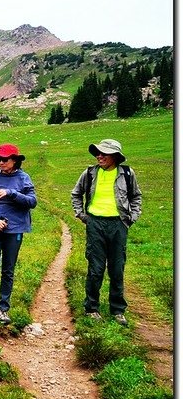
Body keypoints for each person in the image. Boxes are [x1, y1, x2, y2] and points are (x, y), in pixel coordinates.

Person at [71, 139, 142, 326]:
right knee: (96, 268)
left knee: (117, 269)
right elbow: (76, 193)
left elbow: (136, 196)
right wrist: (81, 215)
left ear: (115, 156)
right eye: (98, 153)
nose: (99, 156)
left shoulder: (127, 173)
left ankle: (118, 310)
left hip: (118, 224)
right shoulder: (89, 173)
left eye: (104, 153)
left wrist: (132, 217)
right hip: (95, 224)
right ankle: (91, 308)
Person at [0, 143, 37, 324]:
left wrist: (11, 193)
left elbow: (32, 201)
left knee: (8, 269)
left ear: (15, 160)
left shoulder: (23, 178)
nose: (1, 163)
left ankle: (3, 308)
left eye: (4, 159)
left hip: (15, 229)